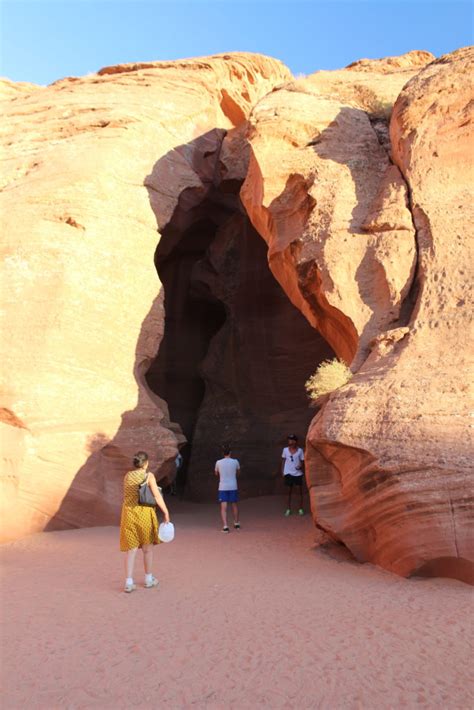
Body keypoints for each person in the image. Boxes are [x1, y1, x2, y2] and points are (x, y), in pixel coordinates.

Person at [119, 451, 171, 593]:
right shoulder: (149, 476)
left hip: (129, 514)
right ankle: (148, 579)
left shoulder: (127, 476)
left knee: (131, 549)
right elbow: (157, 496)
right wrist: (166, 512)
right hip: (144, 515)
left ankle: (128, 582)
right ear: (146, 463)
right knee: (147, 549)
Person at [214, 446, 240, 533]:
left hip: (223, 486)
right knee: (234, 504)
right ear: (230, 453)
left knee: (223, 507)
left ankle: (225, 526)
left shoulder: (218, 462)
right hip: (233, 485)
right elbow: (238, 471)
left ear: (223, 453)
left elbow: (216, 473)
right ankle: (236, 523)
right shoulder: (235, 462)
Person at [281, 434, 305, 516]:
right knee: (288, 492)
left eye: (291, 440)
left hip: (298, 474)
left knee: (299, 492)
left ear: (295, 441)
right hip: (288, 473)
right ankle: (288, 509)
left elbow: (302, 461)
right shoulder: (285, 450)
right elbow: (283, 461)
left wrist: (300, 466)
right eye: (289, 440)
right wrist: (282, 472)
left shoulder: (300, 451)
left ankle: (300, 509)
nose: (289, 441)